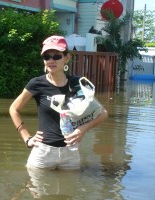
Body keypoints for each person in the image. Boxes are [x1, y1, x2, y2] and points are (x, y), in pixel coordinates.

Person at [9, 35, 108, 170]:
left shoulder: (77, 84)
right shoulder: (37, 84)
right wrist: (27, 138)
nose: (51, 60)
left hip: (71, 153)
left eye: (56, 56)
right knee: (37, 190)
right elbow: (14, 109)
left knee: (69, 190)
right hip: (43, 152)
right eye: (47, 56)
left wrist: (82, 130)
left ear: (67, 58)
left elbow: (103, 114)